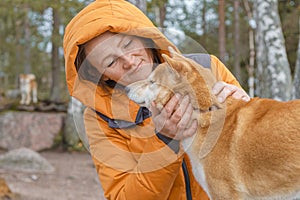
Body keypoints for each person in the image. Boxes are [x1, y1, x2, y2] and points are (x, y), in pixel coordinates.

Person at [63, 0, 250, 199]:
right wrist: (164, 140)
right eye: (111, 62)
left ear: (143, 37)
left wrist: (247, 112)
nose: (129, 61)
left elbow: (252, 161)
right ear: (100, 74)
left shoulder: (206, 67)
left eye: (128, 44)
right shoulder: (100, 119)